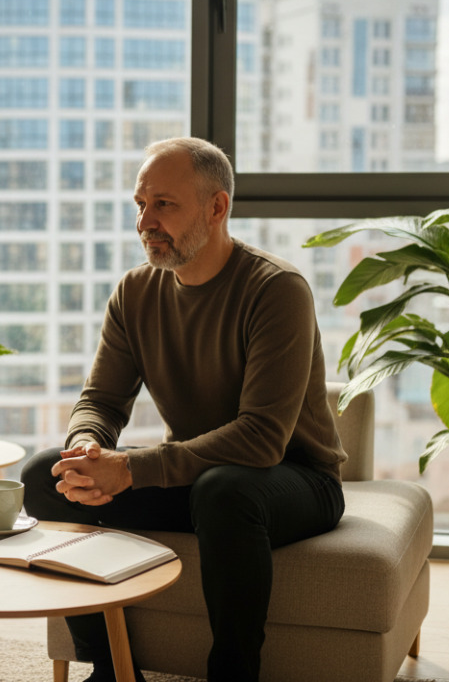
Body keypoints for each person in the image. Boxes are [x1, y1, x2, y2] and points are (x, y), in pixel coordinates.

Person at [21, 137, 348, 682]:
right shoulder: (135, 292)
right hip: (202, 480)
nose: (146, 221)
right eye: (140, 205)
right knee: (45, 475)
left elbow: (261, 438)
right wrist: (87, 452)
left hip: (295, 482)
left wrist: (130, 469)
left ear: (217, 207)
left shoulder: (277, 289)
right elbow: (101, 400)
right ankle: (110, 671)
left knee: (225, 489)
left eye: (164, 204)